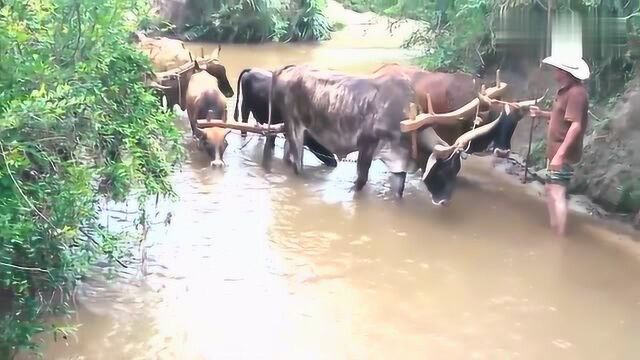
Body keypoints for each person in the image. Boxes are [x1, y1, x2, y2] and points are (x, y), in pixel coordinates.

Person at [529, 56, 590, 236]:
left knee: (557, 192)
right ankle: (554, 227)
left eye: (557, 69)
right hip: (554, 151)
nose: (555, 72)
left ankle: (560, 238)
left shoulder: (576, 94)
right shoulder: (565, 91)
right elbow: (561, 117)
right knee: (550, 189)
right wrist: (541, 114)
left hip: (562, 153)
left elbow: (576, 125)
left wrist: (560, 155)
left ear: (564, 73)